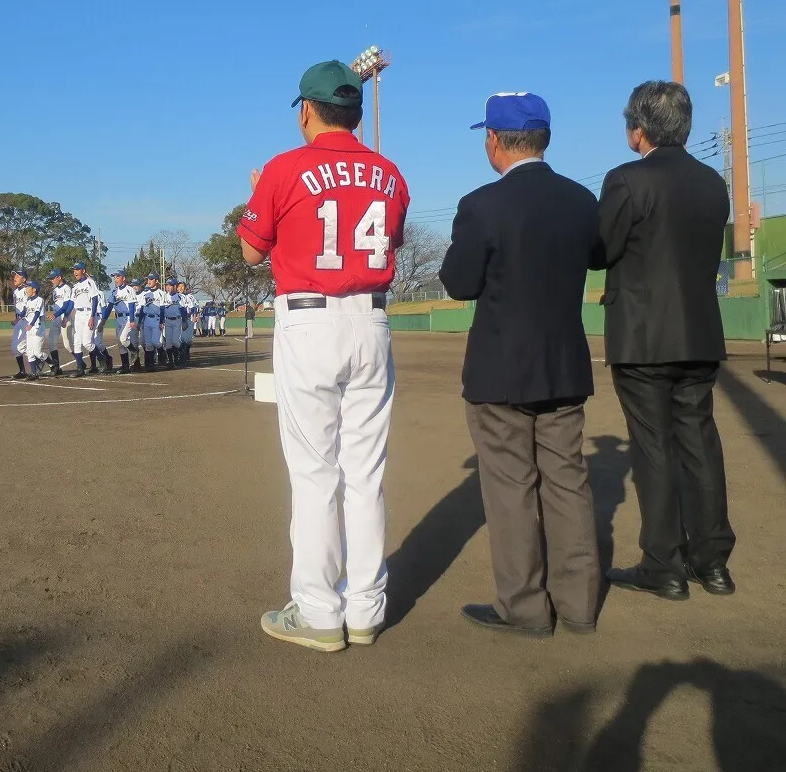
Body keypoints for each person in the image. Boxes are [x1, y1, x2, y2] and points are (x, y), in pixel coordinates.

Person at [239, 60, 409, 652]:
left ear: (307, 110)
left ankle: (318, 612)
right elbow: (388, 238)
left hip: (309, 321)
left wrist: (261, 191)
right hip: (372, 320)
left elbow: (251, 252)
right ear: (357, 113)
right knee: (366, 474)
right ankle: (365, 609)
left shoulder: (284, 168)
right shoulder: (389, 171)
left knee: (315, 475)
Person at [438, 92, 603, 637]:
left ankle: (525, 608)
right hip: (564, 366)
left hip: (500, 372)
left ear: (494, 140)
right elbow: (601, 255)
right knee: (567, 482)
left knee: (511, 489)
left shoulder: (482, 204)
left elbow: (459, 283)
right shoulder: (581, 200)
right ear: (544, 138)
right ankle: (579, 605)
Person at [599, 80, 736, 601]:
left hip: (642, 337)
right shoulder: (712, 183)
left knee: (653, 448)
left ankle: (664, 566)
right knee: (700, 444)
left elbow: (602, 247)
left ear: (639, 130)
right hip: (699, 333)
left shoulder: (627, 179)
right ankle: (712, 563)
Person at [69, 261, 101, 377]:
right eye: (74, 270)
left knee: (87, 343)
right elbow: (71, 303)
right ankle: (80, 368)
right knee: (77, 342)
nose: (75, 272)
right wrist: (65, 317)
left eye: (77, 269)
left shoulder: (90, 282)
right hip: (78, 314)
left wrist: (92, 316)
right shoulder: (75, 287)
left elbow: (95, 299)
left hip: (88, 313)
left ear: (83, 271)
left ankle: (102, 359)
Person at [45, 269, 74, 377]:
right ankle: (56, 368)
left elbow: (66, 305)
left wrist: (59, 316)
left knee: (68, 345)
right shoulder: (55, 291)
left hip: (65, 317)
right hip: (56, 318)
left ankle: (81, 363)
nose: (52, 280)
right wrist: (54, 315)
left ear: (59, 277)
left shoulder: (67, 288)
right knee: (51, 342)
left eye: (53, 278)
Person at [107, 270, 137, 373]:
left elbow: (131, 305)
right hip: (118, 318)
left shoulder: (129, 289)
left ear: (123, 278)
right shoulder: (114, 291)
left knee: (123, 339)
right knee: (120, 343)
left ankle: (134, 351)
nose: (115, 279)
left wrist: (132, 320)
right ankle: (125, 366)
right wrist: (104, 320)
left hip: (127, 317)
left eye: (118, 277)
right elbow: (110, 306)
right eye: (115, 277)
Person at [136, 273, 164, 371]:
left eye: (151, 279)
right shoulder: (146, 294)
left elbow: (162, 309)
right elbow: (142, 309)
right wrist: (139, 322)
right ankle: (149, 364)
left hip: (156, 319)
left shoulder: (161, 293)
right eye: (148, 279)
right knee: (148, 344)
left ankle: (162, 352)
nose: (149, 281)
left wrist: (161, 321)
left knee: (155, 341)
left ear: (156, 281)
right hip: (147, 319)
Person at [21, 280, 47, 380]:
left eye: (28, 287)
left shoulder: (39, 300)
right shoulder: (28, 301)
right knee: (30, 352)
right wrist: (18, 318)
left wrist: (31, 324)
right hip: (30, 329)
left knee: (37, 353)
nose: (26, 289)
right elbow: (24, 312)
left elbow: (37, 313)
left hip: (37, 328)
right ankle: (33, 373)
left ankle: (51, 362)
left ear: (34, 289)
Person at [9, 269, 30, 379]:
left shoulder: (28, 289)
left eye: (18, 276)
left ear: (24, 279)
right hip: (19, 321)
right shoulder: (15, 292)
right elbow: (17, 308)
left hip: (27, 321)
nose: (15, 278)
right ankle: (22, 371)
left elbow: (27, 307)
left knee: (22, 347)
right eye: (14, 276)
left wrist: (19, 318)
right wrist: (17, 319)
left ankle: (45, 361)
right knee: (14, 347)